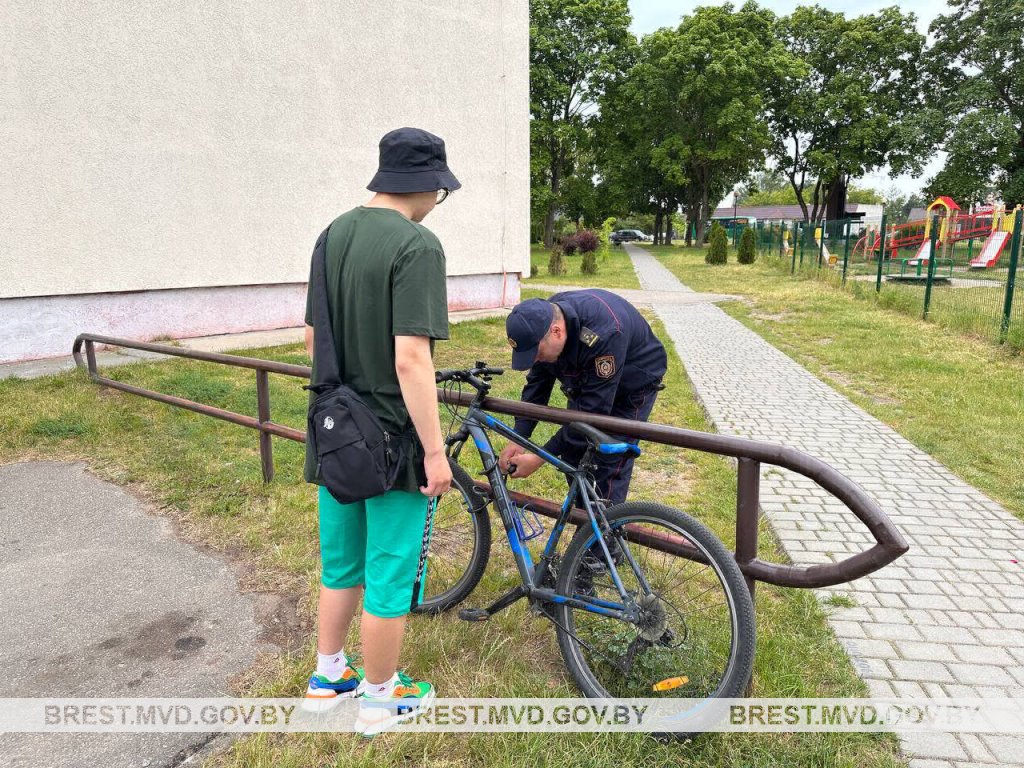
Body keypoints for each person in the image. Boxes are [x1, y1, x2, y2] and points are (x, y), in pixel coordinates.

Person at [301, 127, 457, 736]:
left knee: (340, 566)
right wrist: (436, 451)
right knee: (388, 573)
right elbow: (411, 360)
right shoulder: (417, 246)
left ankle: (328, 676)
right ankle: (381, 698)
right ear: (427, 185)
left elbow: (314, 339)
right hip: (393, 439)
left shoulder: (331, 234)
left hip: (334, 432)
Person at [498, 291, 667, 505]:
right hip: (588, 383)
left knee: (607, 461)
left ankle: (605, 531)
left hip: (632, 387)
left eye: (537, 353)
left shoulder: (604, 334)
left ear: (557, 332)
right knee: (573, 452)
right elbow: (538, 384)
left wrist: (539, 457)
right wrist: (518, 438)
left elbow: (592, 413)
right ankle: (586, 523)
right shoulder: (543, 321)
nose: (536, 360)